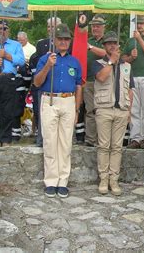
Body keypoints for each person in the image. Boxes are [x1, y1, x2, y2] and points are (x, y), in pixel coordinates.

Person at [34, 23, 82, 198]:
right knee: (50, 142)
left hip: (68, 101)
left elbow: (79, 87)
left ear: (69, 41)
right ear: (54, 40)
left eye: (66, 39)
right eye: (60, 38)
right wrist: (48, 65)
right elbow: (37, 83)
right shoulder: (44, 59)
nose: (63, 42)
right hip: (49, 99)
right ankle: (51, 180)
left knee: (65, 143)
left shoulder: (74, 61)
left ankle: (63, 181)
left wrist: (77, 109)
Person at [93, 31, 132, 196]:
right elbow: (101, 78)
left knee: (117, 147)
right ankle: (103, 178)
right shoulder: (98, 63)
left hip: (121, 109)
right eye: (109, 43)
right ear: (104, 46)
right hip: (104, 109)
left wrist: (129, 111)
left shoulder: (127, 66)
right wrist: (111, 62)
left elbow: (130, 89)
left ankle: (113, 179)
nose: (112, 45)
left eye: (115, 43)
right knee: (103, 146)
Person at [124, 15, 144, 149]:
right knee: (134, 109)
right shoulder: (130, 41)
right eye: (137, 23)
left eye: (142, 23)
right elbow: (124, 59)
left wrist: (140, 39)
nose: (139, 26)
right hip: (134, 76)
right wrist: (131, 57)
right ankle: (135, 137)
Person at [30, 16, 62, 147]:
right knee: (42, 113)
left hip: (59, 84)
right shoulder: (41, 43)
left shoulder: (64, 42)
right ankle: (41, 140)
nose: (50, 29)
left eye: (53, 26)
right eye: (49, 26)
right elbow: (38, 63)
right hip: (44, 83)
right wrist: (46, 57)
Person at [84, 14, 107, 147]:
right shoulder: (88, 40)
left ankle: (102, 139)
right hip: (89, 80)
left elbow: (108, 53)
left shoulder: (108, 40)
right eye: (93, 26)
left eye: (98, 26)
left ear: (103, 27)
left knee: (103, 111)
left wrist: (91, 48)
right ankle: (90, 138)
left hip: (104, 81)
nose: (95, 28)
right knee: (90, 111)